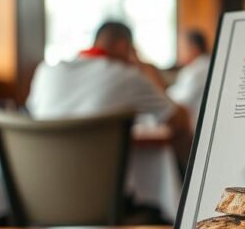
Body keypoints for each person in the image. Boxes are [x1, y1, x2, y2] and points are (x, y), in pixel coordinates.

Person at [28, 21, 193, 172]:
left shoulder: (45, 71)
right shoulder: (128, 76)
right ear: (124, 47)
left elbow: (31, 113)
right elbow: (179, 120)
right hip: (99, 189)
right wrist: (142, 66)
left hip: (37, 186)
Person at [168, 29, 212, 128]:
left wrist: (162, 95)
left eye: (182, 47)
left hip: (196, 125)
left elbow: (183, 99)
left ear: (194, 48)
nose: (179, 51)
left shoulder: (200, 69)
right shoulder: (195, 67)